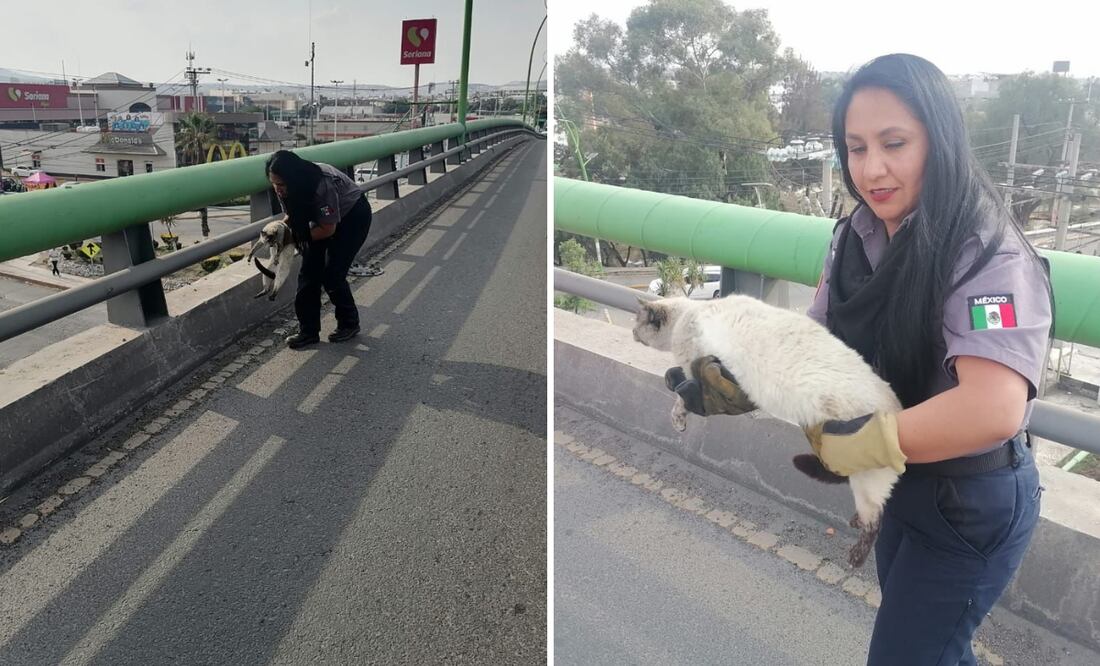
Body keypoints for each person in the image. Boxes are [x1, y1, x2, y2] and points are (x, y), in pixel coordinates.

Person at [668, 54, 1052, 665]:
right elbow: (814, 338)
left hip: (971, 500)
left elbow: (994, 407)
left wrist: (857, 448)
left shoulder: (987, 253)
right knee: (935, 650)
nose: (872, 169)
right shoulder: (858, 234)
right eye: (855, 147)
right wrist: (738, 379)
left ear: (940, 140)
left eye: (894, 143)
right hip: (905, 484)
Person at [265, 150, 373, 349]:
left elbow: (327, 229)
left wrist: (294, 238)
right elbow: (292, 216)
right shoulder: (286, 188)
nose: (278, 189)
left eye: (281, 184)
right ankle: (308, 331)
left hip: (352, 216)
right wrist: (281, 231)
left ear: (294, 179)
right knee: (308, 274)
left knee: (332, 273)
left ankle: (349, 323)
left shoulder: (322, 184)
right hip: (321, 221)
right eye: (274, 184)